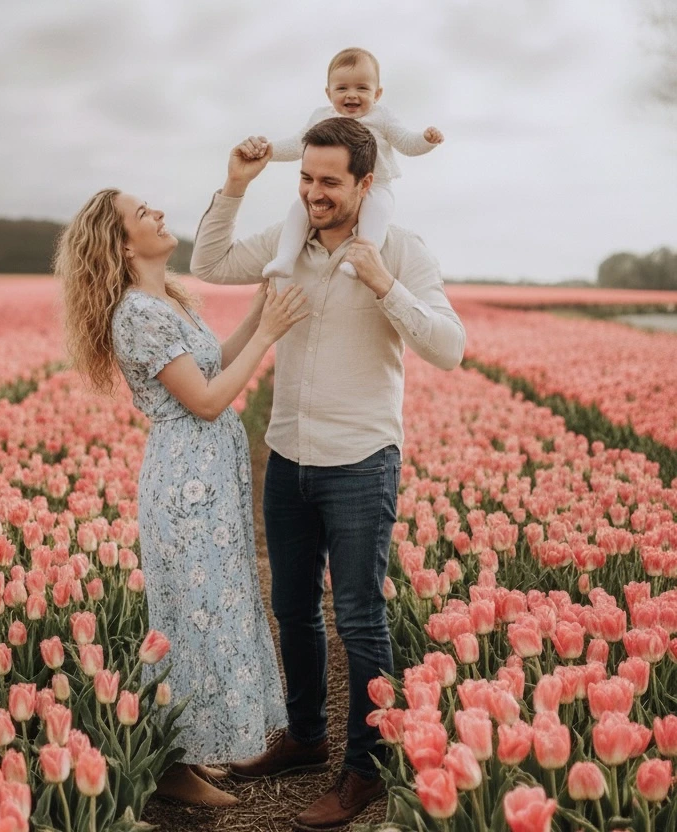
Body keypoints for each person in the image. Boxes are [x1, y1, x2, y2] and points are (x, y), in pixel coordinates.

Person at [190, 118, 466, 829]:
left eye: (330, 182)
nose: (314, 193)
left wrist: (383, 286)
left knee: (361, 618)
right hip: (288, 455)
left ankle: (365, 772)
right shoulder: (291, 248)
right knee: (292, 608)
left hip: (361, 460)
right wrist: (234, 186)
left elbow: (449, 348)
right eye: (306, 179)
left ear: (365, 183)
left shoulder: (400, 249)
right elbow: (210, 263)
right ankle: (307, 738)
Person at [56, 188, 309, 807]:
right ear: (120, 243)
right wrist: (270, 335)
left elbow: (211, 364)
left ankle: (187, 755)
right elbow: (205, 400)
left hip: (209, 480)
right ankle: (168, 768)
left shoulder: (164, 298)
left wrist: (257, 314)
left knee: (209, 612)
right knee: (187, 621)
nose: (159, 214)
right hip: (185, 485)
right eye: (143, 215)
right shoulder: (136, 314)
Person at [258, 47, 443, 281]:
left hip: (376, 184)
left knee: (377, 214)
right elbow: (298, 145)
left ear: (377, 94)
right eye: (342, 88)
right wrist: (269, 151)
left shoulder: (381, 117)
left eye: (362, 88)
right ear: (328, 93)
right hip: (332, 185)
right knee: (298, 209)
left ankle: (359, 261)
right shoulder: (321, 117)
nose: (352, 95)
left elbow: (406, 143)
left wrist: (425, 140)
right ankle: (285, 258)